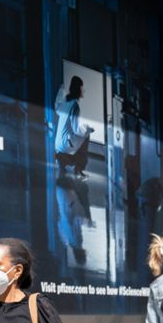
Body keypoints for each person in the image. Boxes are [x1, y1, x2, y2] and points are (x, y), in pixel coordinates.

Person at [54, 76, 94, 265]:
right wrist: (89, 129)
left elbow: (56, 108)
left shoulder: (65, 103)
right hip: (67, 145)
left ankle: (67, 165)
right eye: (83, 88)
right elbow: (78, 128)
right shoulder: (74, 241)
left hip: (58, 146)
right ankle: (79, 169)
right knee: (86, 136)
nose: (84, 91)